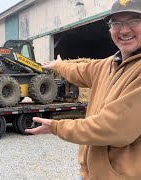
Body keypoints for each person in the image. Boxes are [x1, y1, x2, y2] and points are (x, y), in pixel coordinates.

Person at [25, 0, 141, 179]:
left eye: (134, 21)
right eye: (116, 23)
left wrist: (57, 127)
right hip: (91, 174)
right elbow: (78, 69)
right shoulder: (108, 64)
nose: (124, 30)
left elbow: (110, 128)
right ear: (110, 29)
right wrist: (59, 65)